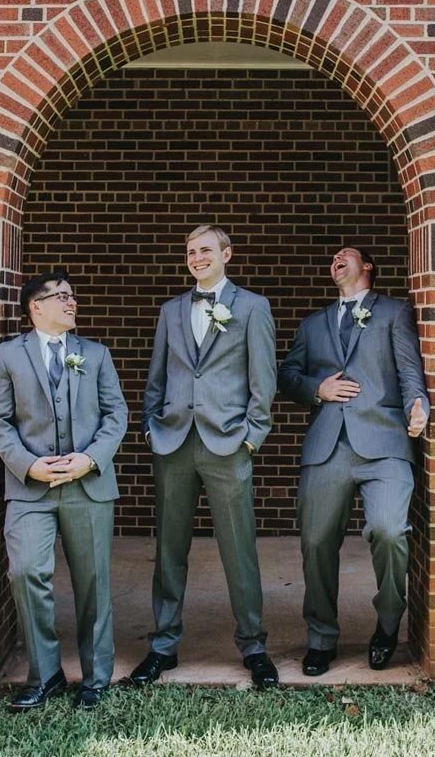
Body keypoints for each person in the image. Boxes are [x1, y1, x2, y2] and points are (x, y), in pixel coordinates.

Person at [129, 225, 279, 689]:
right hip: (173, 443)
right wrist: (151, 426)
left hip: (228, 444)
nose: (197, 257)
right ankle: (163, 645)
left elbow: (264, 378)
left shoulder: (252, 307)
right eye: (191, 251)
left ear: (226, 254)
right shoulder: (171, 310)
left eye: (206, 250)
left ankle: (253, 646)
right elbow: (157, 376)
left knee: (239, 550)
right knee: (169, 550)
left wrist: (252, 436)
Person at [278, 245, 429, 676]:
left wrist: (418, 406)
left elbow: (409, 370)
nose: (336, 260)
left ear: (367, 267)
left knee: (389, 531)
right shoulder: (313, 325)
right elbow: (287, 376)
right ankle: (321, 637)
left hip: (385, 444)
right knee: (316, 542)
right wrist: (317, 389)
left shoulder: (394, 313)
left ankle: (388, 623)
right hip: (327, 446)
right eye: (332, 257)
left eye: (346, 255)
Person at [0, 270, 127, 711]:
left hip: (88, 486)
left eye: (72, 296)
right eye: (61, 296)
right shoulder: (9, 355)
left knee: (93, 582)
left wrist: (90, 459)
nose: (71, 303)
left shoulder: (96, 354)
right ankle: (45, 674)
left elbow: (116, 414)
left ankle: (96, 678)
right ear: (36, 307)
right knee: (26, 572)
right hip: (31, 489)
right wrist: (28, 465)